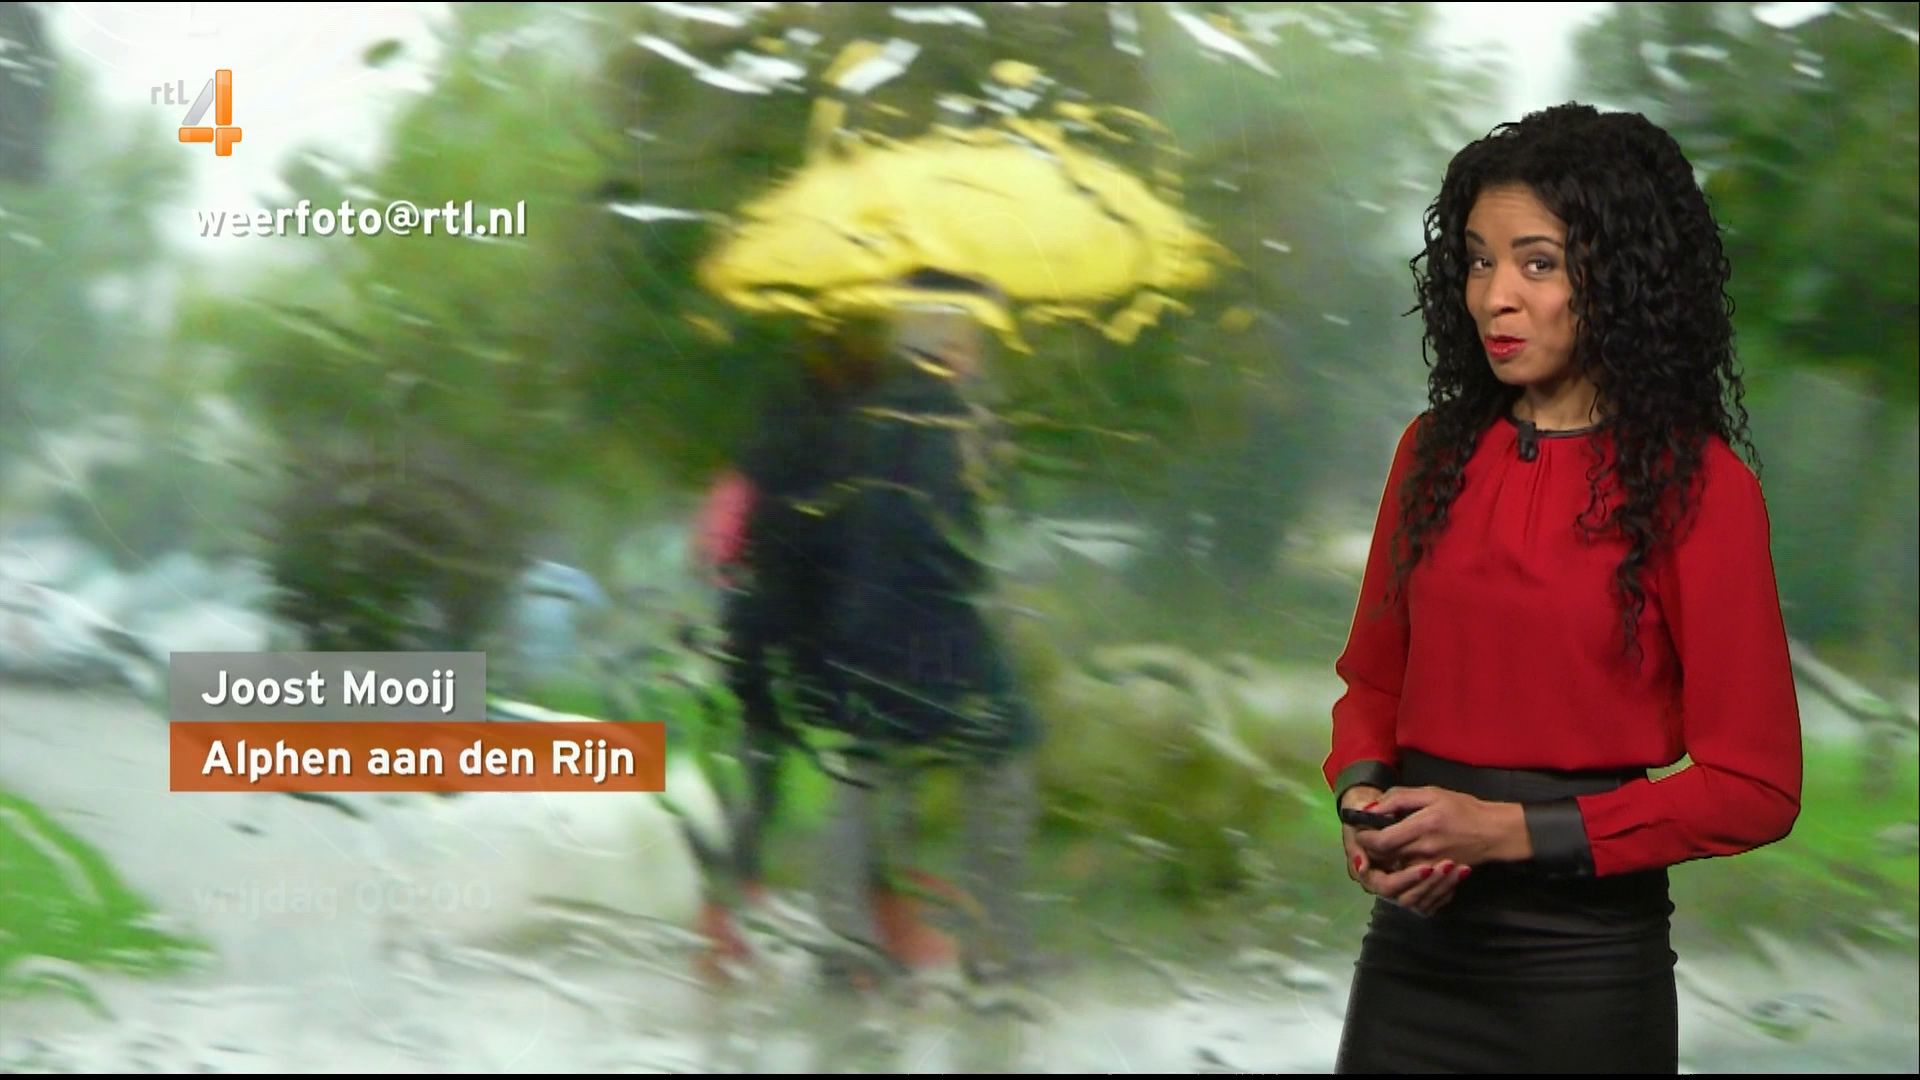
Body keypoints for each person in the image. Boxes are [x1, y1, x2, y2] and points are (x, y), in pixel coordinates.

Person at [1323, 102, 1803, 1074]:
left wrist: (1506, 832)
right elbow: (1373, 683)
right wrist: (1366, 804)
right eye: (1477, 260)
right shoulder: (1430, 455)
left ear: (1616, 277)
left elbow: (1755, 786)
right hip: (1413, 956)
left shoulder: (1700, 489)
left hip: (1581, 977)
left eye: (1537, 264)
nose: (1494, 296)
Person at [809, 268, 1044, 991]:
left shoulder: (877, 410)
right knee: (1003, 756)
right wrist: (982, 457)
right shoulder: (938, 417)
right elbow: (944, 530)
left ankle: (846, 940)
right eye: (972, 334)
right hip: (933, 627)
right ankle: (993, 946)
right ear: (949, 339)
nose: (979, 348)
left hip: (868, 624)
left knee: (867, 769)